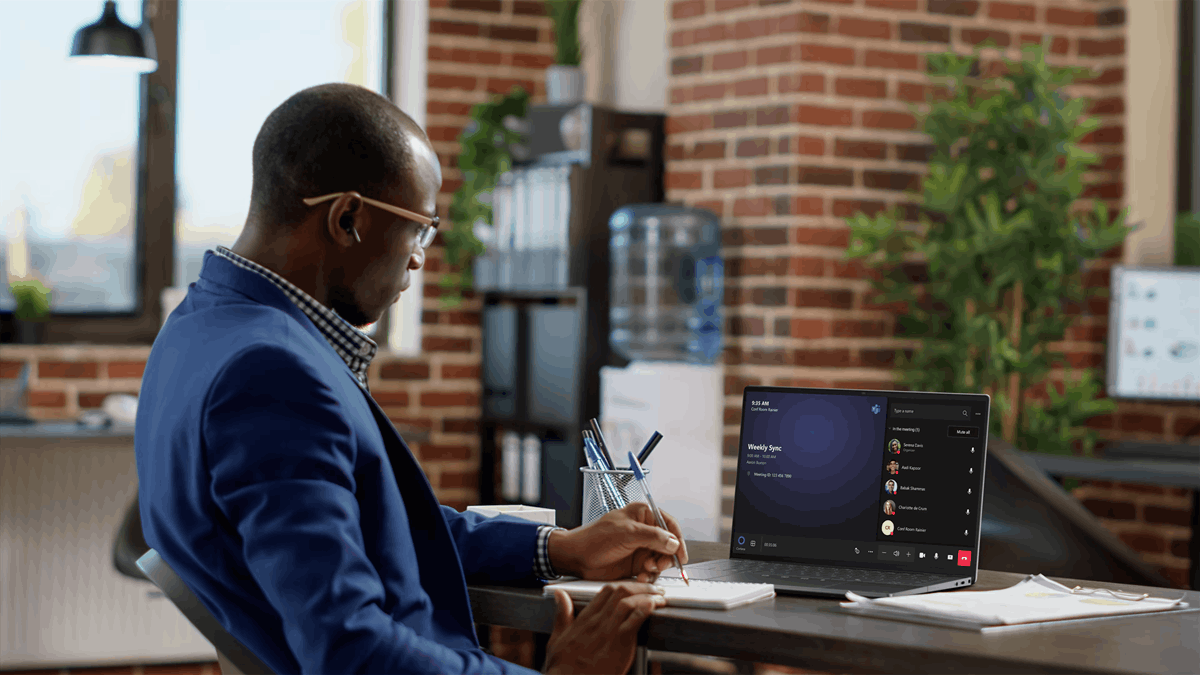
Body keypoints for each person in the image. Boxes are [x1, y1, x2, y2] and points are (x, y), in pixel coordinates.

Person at [135, 83, 688, 675]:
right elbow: (349, 649)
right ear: (348, 219)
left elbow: (381, 527)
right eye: (419, 229)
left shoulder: (198, 327)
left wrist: (560, 549)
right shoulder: (272, 373)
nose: (421, 258)